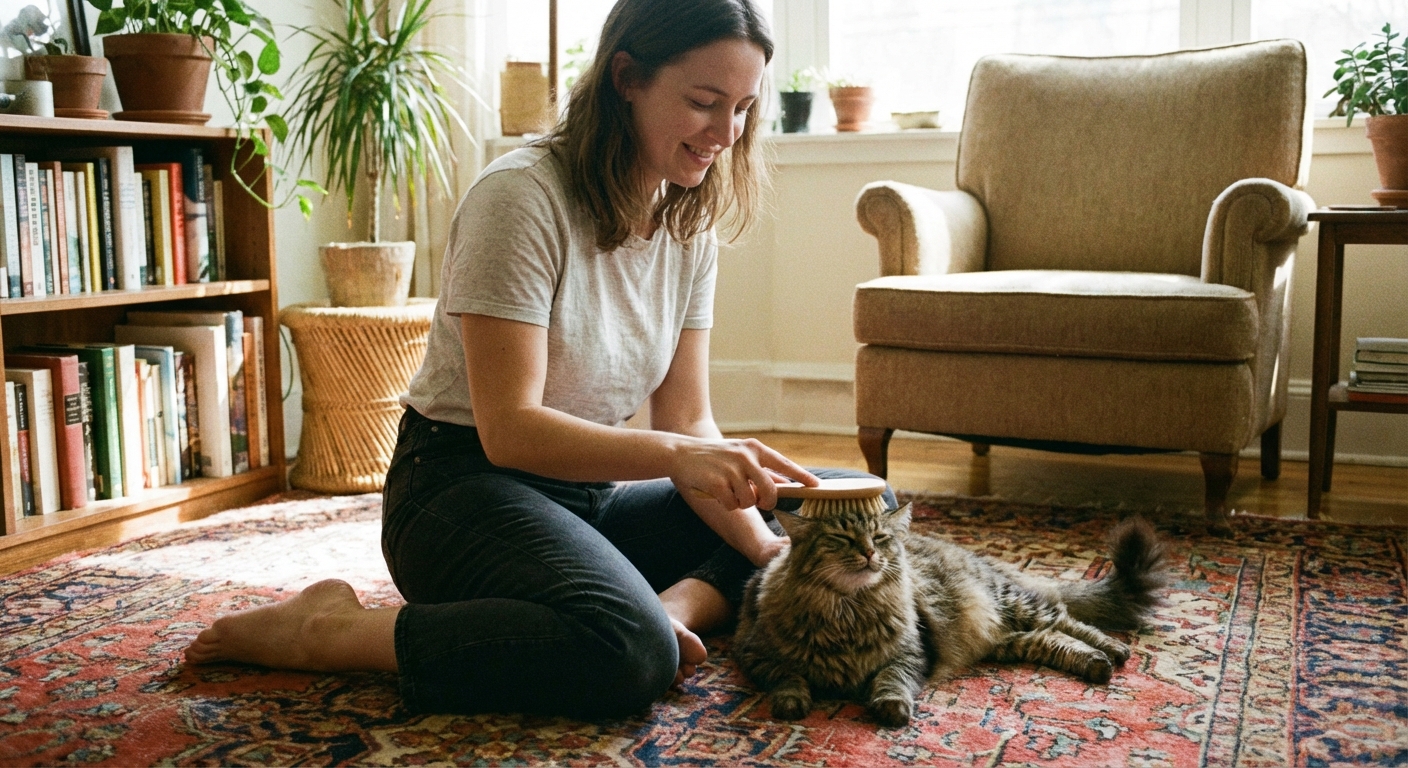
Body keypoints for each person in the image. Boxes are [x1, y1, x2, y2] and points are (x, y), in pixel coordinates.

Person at [185, 0, 894, 718]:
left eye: (743, 108)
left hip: (589, 498)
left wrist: (766, 545)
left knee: (857, 501)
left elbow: (687, 417)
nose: (726, 133)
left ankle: (671, 606)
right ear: (626, 78)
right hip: (459, 491)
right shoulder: (520, 197)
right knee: (627, 654)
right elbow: (511, 429)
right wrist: (680, 458)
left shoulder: (688, 225)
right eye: (705, 103)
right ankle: (329, 631)